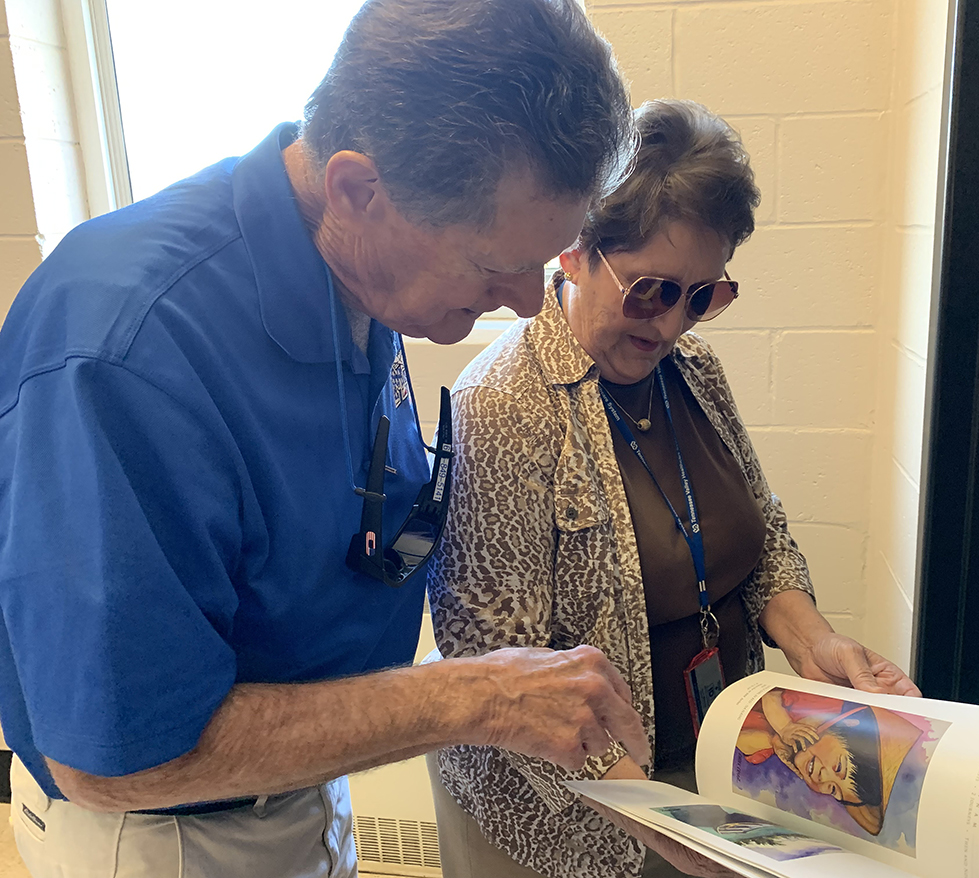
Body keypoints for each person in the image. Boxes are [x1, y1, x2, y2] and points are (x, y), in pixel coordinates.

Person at [0, 2, 651, 876]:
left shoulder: (358, 264)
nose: (528, 303)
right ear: (356, 190)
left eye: (539, 264)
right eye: (491, 266)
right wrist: (479, 697)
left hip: (305, 781)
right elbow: (121, 759)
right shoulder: (126, 350)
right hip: (169, 831)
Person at [425, 99, 923, 878]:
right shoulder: (501, 407)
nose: (669, 327)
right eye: (650, 290)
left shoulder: (693, 373)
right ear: (574, 252)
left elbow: (763, 540)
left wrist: (817, 643)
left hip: (707, 769)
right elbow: (498, 678)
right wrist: (664, 823)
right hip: (558, 820)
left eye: (702, 297)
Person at [736, 689, 924, 836]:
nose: (824, 780)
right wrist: (784, 727)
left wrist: (778, 744)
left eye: (834, 790)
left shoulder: (777, 752)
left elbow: (745, 742)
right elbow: (772, 697)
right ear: (848, 726)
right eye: (839, 768)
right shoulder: (823, 709)